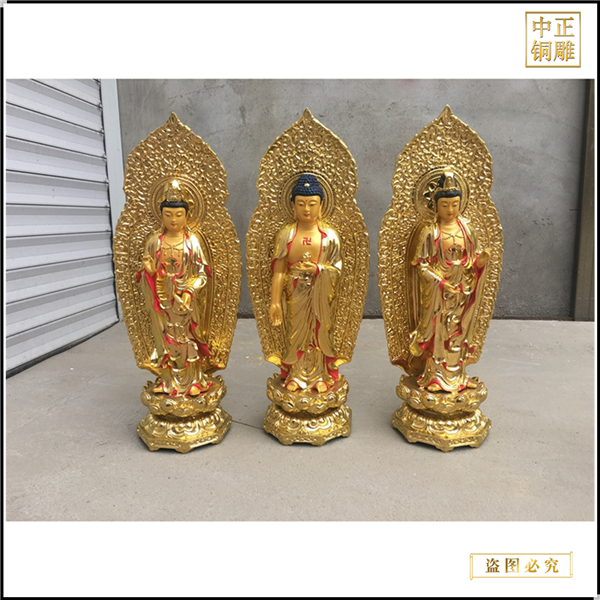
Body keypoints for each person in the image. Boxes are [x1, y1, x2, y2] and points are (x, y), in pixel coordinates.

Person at [408, 169, 490, 393]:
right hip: (439, 294)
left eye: (455, 204)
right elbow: (422, 266)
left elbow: (472, 262)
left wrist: (480, 262)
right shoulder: (431, 232)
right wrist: (442, 283)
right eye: (445, 205)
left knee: (459, 333)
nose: (450, 209)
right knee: (439, 333)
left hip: (463, 291)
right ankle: (435, 376)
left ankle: (458, 375)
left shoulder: (467, 231)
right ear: (436, 206)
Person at [269, 174, 342, 394]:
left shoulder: (329, 236)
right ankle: (296, 375)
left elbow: (337, 270)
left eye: (312, 203)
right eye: (301, 204)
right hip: (295, 294)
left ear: (321, 206)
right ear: (293, 206)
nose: (306, 209)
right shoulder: (286, 235)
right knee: (295, 333)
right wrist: (275, 302)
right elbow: (279, 271)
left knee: (319, 332)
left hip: (320, 295)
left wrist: (318, 270)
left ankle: (320, 375)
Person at [138, 179, 211, 397]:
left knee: (186, 339)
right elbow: (146, 274)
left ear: (187, 215)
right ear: (160, 215)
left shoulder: (192, 242)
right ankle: (167, 380)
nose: (173, 219)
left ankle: (194, 380)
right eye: (168, 214)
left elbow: (202, 274)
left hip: (186, 302)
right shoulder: (155, 242)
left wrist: (188, 291)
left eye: (179, 214)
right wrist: (150, 273)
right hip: (162, 300)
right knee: (165, 338)